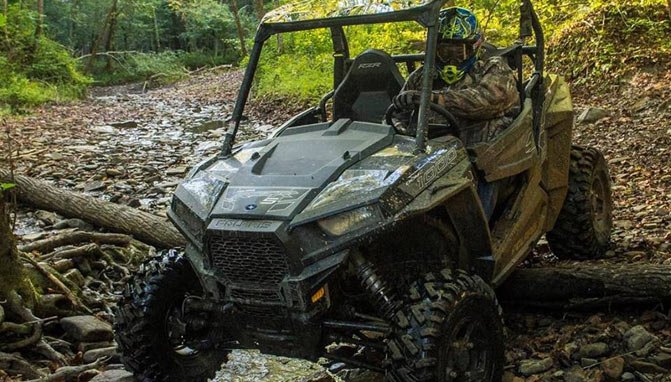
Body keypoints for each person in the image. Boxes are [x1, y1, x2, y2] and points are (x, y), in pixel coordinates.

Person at [391, 6, 520, 217]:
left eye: (458, 51)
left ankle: (478, 231)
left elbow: (488, 101)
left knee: (482, 165)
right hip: (430, 154)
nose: (451, 59)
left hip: (487, 155)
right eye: (444, 51)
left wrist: (437, 99)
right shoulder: (422, 75)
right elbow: (398, 113)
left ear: (474, 47)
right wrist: (401, 123)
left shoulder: (492, 68)